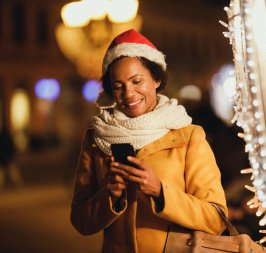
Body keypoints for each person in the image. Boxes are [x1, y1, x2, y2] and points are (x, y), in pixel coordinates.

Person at [70, 29, 227, 253]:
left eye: (137, 81)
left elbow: (216, 218)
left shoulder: (188, 135)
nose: (129, 93)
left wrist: (160, 191)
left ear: (155, 79)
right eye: (118, 86)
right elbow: (80, 221)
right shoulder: (96, 139)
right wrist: (110, 196)